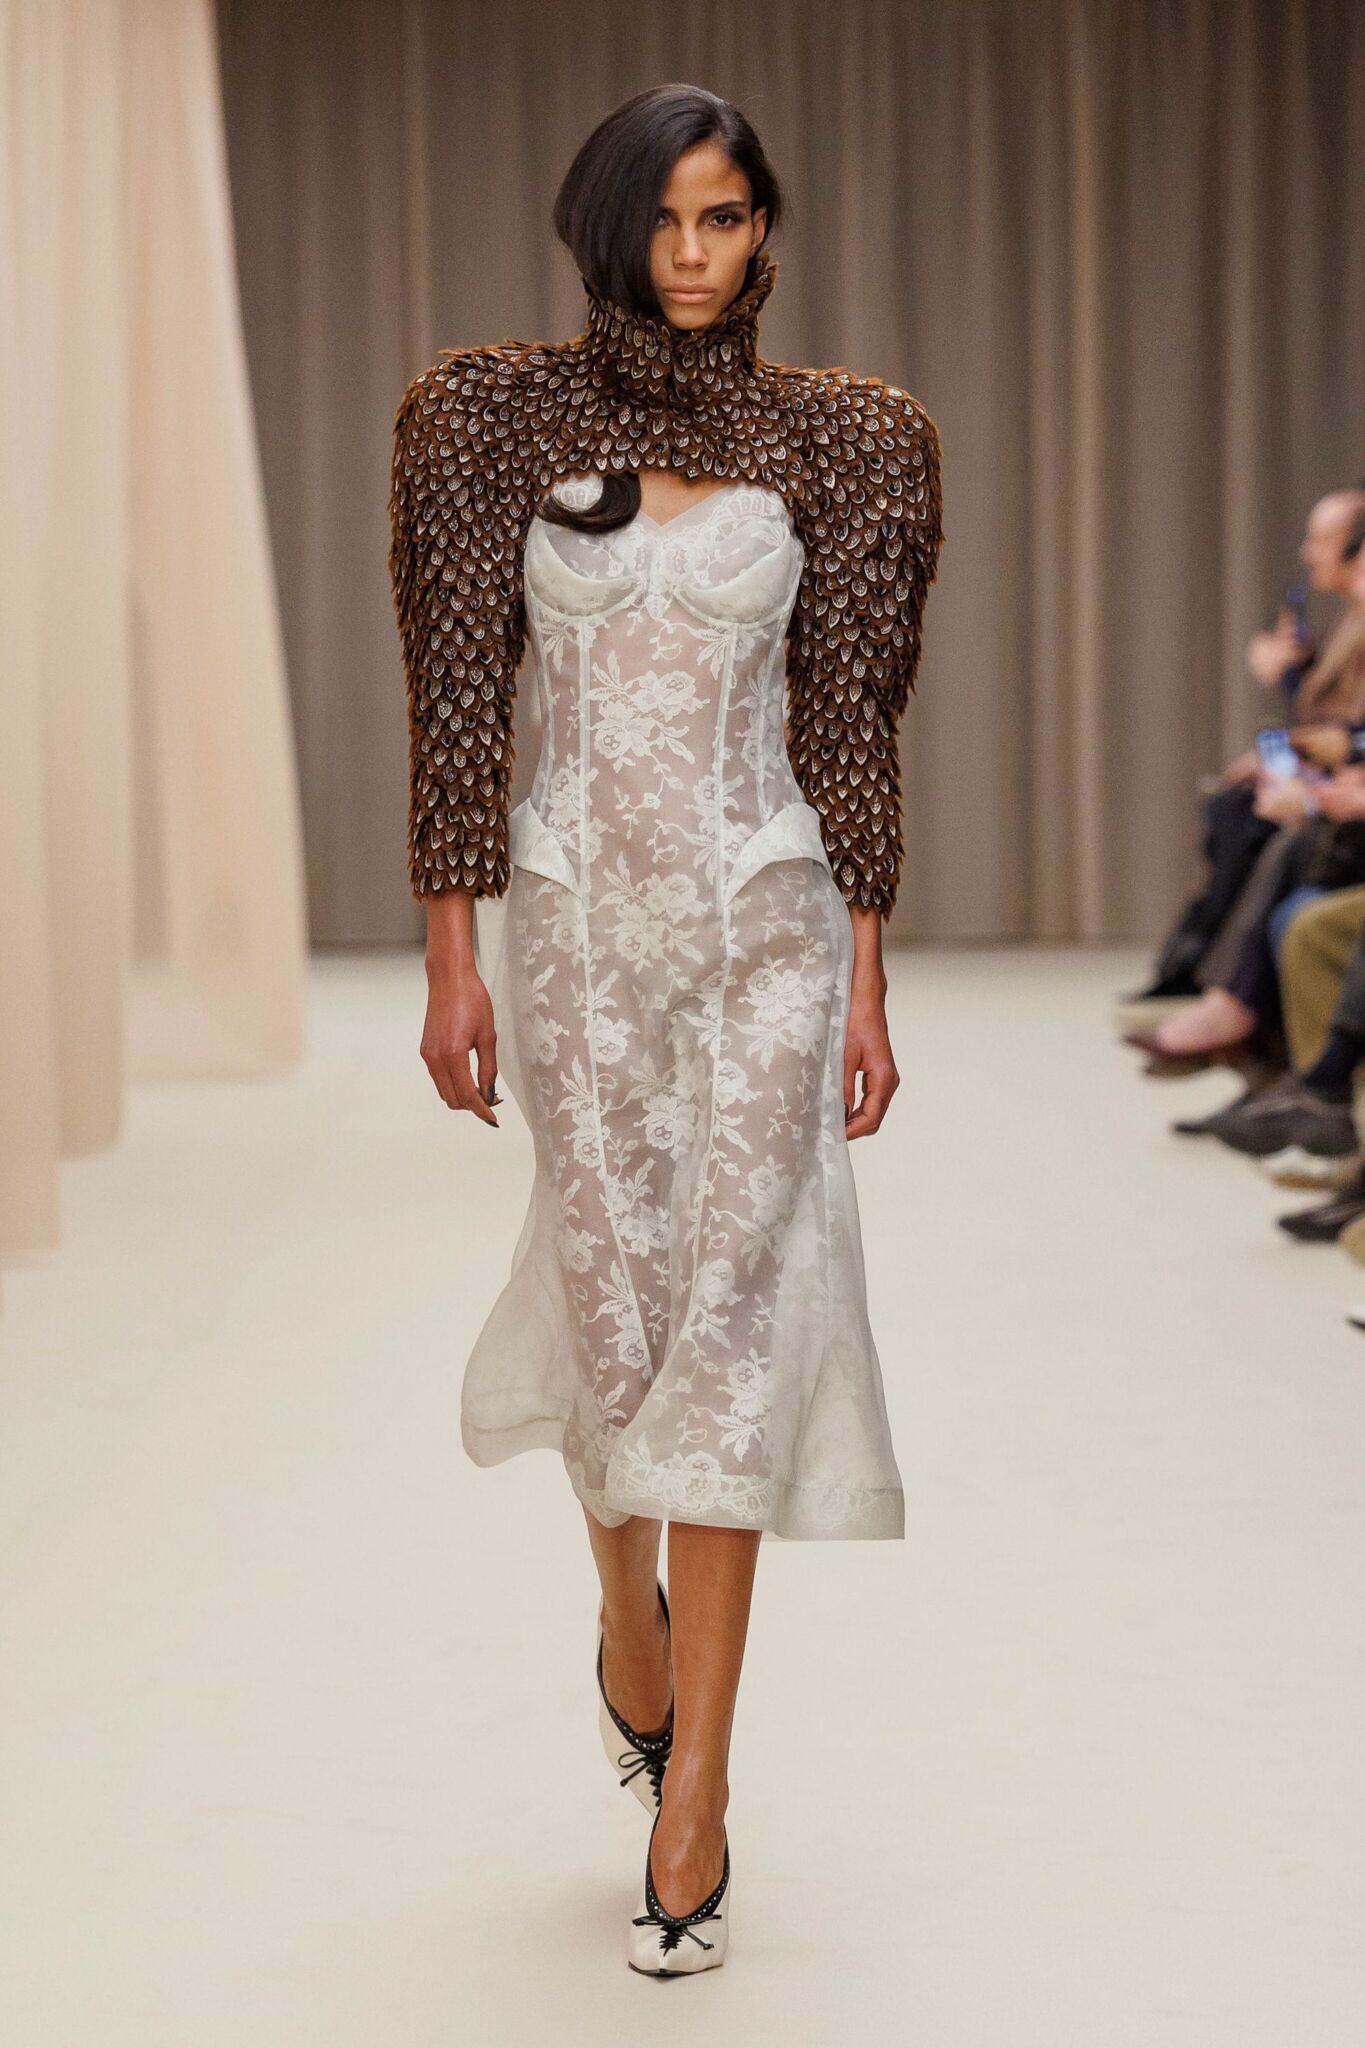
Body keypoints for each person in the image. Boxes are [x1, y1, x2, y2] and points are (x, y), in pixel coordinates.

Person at [386, 84, 944, 1977]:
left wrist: (865, 970)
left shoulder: (847, 441)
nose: (694, 254)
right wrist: (451, 953)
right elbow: (457, 696)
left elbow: (851, 720)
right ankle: (622, 1607)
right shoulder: (489, 420)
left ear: (764, 228)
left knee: (735, 1319)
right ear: (606, 229)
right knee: (614, 1299)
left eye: (726, 217)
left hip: (765, 914)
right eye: (665, 219)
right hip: (573, 931)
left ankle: (695, 1783)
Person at [1128, 490, 1365, 1007]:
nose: (1307, 553)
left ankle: (1217, 986)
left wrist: (1288, 682)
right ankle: (1203, 972)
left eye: (1320, 540)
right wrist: (1296, 675)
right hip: (1341, 776)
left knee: (1254, 820)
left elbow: (1347, 733)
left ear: (1355, 547)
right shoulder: (1351, 620)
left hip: (1348, 789)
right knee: (1234, 804)